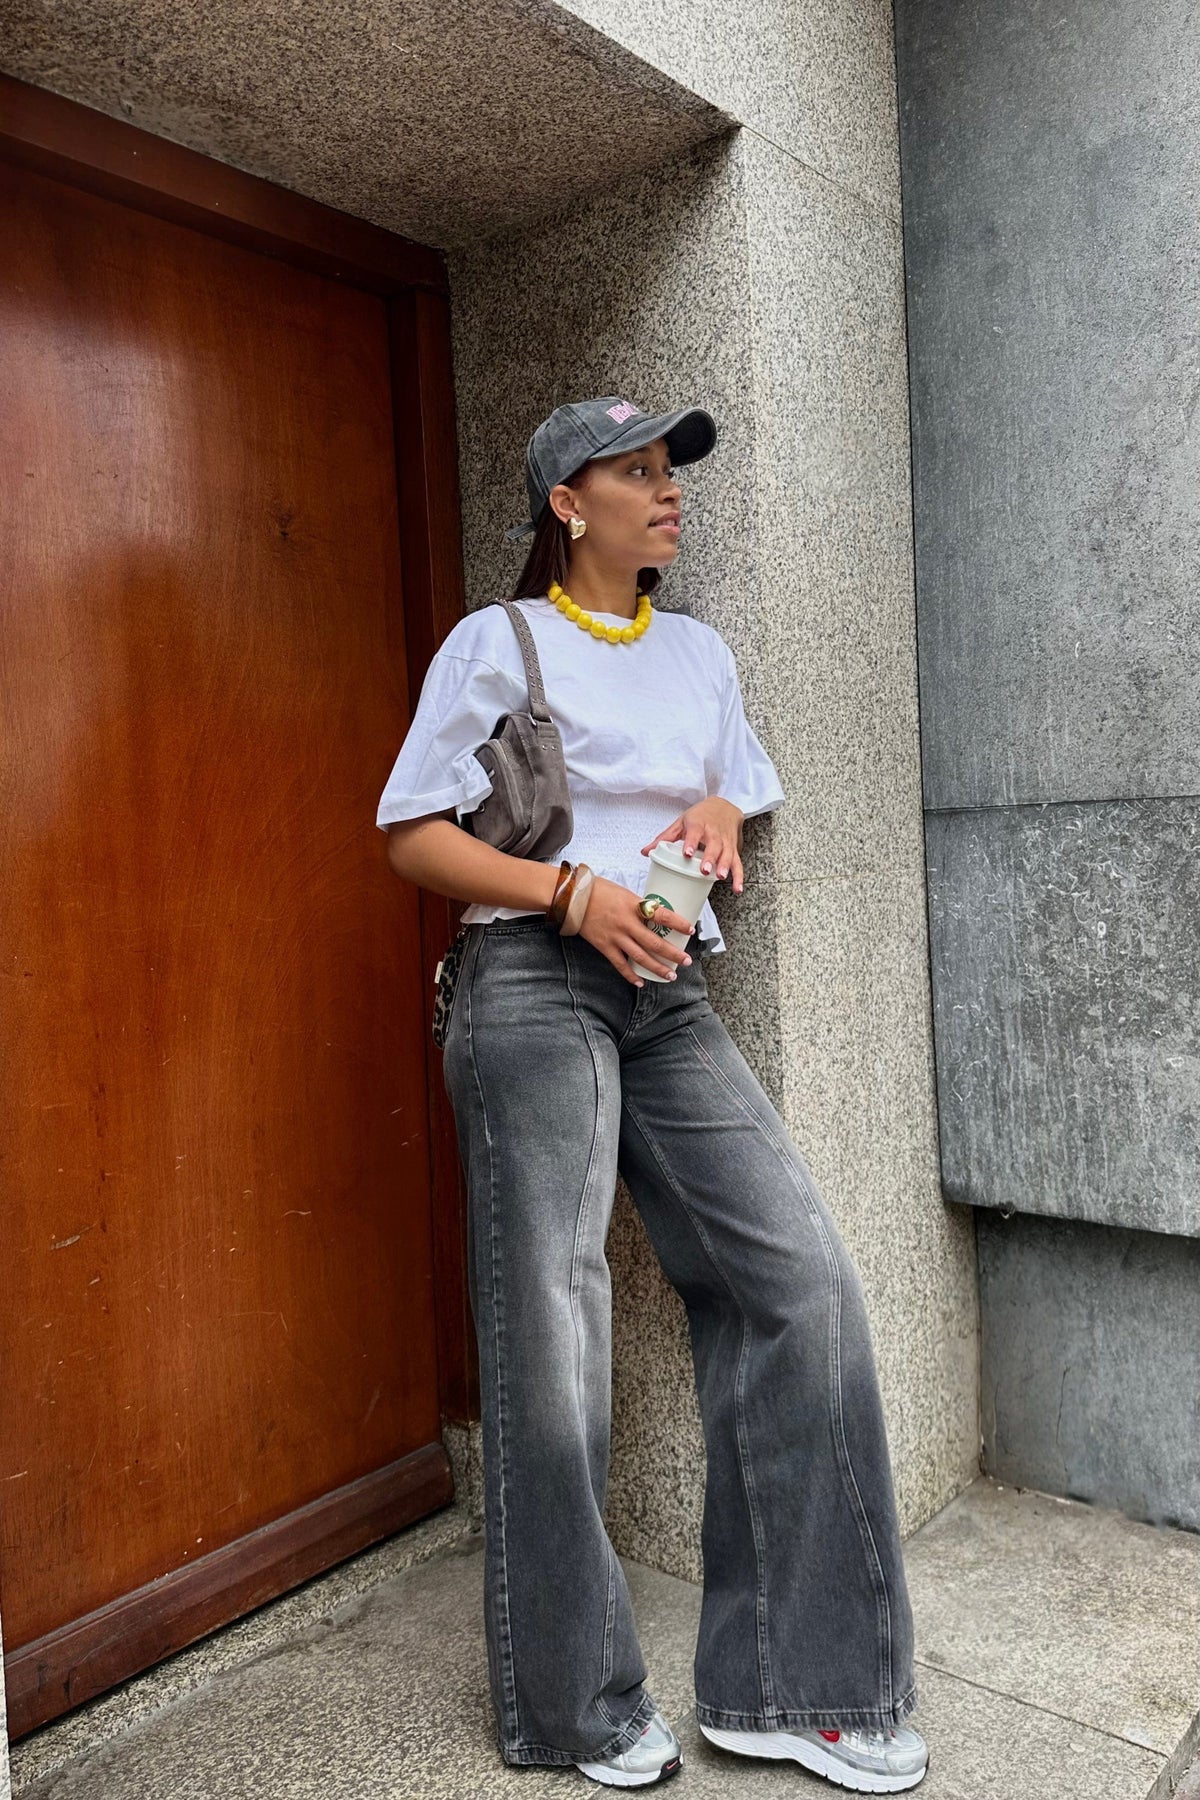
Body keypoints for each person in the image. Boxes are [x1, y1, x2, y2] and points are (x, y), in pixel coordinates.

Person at [376, 397, 929, 1793]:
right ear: (568, 505)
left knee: (798, 1282)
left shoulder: (697, 651)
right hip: (531, 983)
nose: (667, 489)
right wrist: (572, 893)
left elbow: (735, 786)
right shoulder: (497, 643)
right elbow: (412, 836)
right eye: (635, 471)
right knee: (553, 1326)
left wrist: (720, 815)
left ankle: (792, 1687)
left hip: (669, 994)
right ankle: (574, 1706)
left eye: (670, 468)